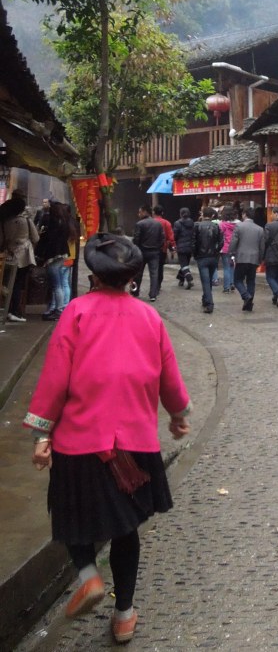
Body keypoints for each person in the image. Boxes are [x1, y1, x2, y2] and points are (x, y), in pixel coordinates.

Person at [23, 232, 191, 645]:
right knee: (125, 528)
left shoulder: (77, 312)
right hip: (136, 445)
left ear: (94, 276)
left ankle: (88, 576)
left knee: (70, 516)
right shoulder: (150, 318)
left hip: (80, 442)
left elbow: (56, 378)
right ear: (132, 277)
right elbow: (169, 375)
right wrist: (177, 416)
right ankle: (125, 615)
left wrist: (42, 433)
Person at [0, 190, 39, 322]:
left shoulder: (5, 221)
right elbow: (36, 238)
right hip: (23, 256)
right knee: (18, 283)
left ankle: (5, 308)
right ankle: (14, 310)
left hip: (8, 254)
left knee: (6, 283)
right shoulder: (26, 221)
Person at [34, 200, 74, 321]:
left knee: (57, 284)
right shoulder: (65, 222)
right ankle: (59, 308)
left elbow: (47, 239)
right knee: (61, 283)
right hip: (62, 254)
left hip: (53, 255)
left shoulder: (53, 223)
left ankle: (58, 309)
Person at [228, 208, 264, 312]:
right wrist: (260, 258)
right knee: (251, 281)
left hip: (241, 257)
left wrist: (231, 253)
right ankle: (249, 304)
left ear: (244, 214)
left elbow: (234, 241)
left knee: (237, 280)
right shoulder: (260, 229)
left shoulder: (239, 226)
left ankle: (246, 296)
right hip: (254, 258)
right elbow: (262, 246)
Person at [192, 207, 223, 314]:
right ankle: (206, 299)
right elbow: (221, 242)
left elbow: (193, 242)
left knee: (205, 281)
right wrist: (216, 251)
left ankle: (209, 303)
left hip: (202, 257)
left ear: (202, 214)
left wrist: (195, 254)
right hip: (213, 257)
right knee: (208, 280)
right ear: (212, 215)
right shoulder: (216, 226)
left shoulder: (197, 226)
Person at [131, 205, 165, 302]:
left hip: (142, 251)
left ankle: (135, 292)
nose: (139, 214)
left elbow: (136, 239)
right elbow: (162, 238)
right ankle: (153, 294)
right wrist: (158, 247)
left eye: (140, 212)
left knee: (138, 273)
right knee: (154, 274)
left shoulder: (139, 224)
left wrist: (136, 249)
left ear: (145, 212)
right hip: (154, 252)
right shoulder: (158, 224)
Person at [263, 206, 278, 306]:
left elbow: (265, 240)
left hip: (271, 254)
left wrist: (262, 254)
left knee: (270, 277)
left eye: (272, 213)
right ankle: (276, 298)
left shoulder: (269, 226)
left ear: (276, 214)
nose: (271, 215)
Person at [153, 204, 175, 292]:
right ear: (162, 213)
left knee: (152, 267)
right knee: (160, 267)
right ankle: (158, 284)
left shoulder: (150, 222)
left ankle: (153, 284)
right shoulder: (166, 223)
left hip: (150, 248)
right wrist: (172, 248)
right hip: (162, 248)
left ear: (154, 212)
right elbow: (170, 237)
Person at [217, 204, 239, 292]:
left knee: (226, 267)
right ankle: (232, 283)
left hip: (225, 248)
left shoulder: (222, 224)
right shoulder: (238, 224)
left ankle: (226, 287)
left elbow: (219, 236)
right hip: (235, 248)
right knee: (232, 266)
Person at [172, 207, 195, 289]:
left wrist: (174, 244)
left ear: (180, 214)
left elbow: (175, 235)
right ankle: (181, 278)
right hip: (190, 247)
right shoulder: (192, 223)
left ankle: (189, 279)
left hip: (181, 247)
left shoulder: (177, 223)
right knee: (185, 264)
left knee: (184, 265)